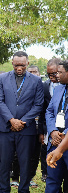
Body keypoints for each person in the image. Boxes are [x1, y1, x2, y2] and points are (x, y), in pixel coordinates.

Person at [0, 51, 44, 193]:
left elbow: (38, 105)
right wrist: (11, 120)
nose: (19, 68)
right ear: (12, 63)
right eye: (16, 65)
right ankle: (3, 189)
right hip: (5, 128)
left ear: (27, 63)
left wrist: (22, 122)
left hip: (26, 129)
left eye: (22, 65)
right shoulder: (2, 78)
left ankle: (24, 189)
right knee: (4, 162)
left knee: (25, 162)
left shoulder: (36, 81)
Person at [10, 65, 43, 188]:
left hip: (37, 125)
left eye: (35, 72)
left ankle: (29, 178)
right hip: (22, 124)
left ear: (39, 73)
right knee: (18, 154)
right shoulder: (22, 86)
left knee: (34, 154)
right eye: (31, 72)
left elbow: (41, 106)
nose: (33, 74)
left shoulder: (41, 85)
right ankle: (15, 177)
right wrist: (20, 122)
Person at [44, 60, 68, 193]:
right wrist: (52, 130)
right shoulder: (59, 89)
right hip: (55, 142)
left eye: (60, 72)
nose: (56, 75)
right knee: (52, 181)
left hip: (67, 142)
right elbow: (49, 111)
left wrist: (65, 134)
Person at [38, 58, 61, 182]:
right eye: (48, 74)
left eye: (54, 74)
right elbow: (43, 110)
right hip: (49, 126)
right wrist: (42, 131)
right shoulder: (45, 85)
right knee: (46, 150)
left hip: (64, 129)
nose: (51, 77)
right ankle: (46, 173)